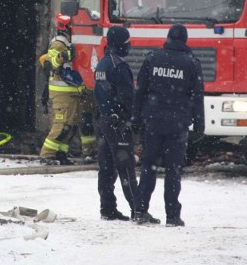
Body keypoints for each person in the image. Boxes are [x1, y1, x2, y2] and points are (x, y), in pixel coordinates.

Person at [131, 24, 205, 227]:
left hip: (153, 123)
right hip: (177, 125)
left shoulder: (152, 58)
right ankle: (172, 215)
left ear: (168, 38)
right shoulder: (191, 63)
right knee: (173, 170)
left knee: (149, 167)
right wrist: (200, 125)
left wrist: (136, 118)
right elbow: (197, 97)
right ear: (185, 40)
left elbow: (140, 91)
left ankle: (140, 210)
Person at [94, 26, 159, 222]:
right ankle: (137, 210)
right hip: (118, 124)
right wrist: (136, 118)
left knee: (106, 168)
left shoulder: (102, 64)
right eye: (127, 42)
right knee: (126, 167)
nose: (129, 46)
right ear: (121, 44)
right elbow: (128, 97)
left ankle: (107, 209)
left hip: (104, 122)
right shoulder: (119, 66)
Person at [39, 13, 86, 165]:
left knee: (69, 126)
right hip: (62, 93)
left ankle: (61, 154)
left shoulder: (72, 42)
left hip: (72, 91)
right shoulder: (59, 43)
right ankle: (46, 155)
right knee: (60, 125)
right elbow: (50, 63)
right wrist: (63, 56)